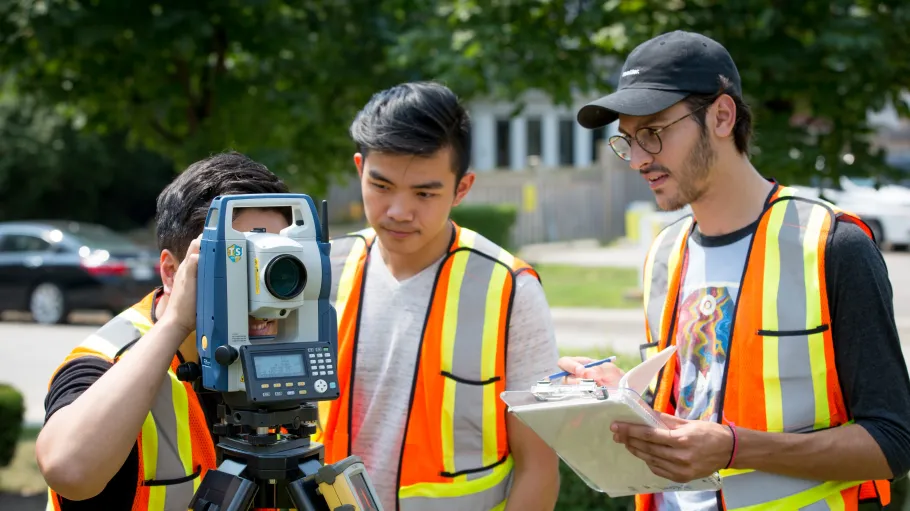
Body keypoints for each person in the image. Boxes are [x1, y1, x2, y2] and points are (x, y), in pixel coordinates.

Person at [558, 30, 910, 510]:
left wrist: (735, 447)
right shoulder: (665, 253)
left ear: (722, 116)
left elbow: (893, 442)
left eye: (654, 132)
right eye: (628, 140)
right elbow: (690, 409)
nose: (638, 159)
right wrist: (620, 398)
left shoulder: (832, 244)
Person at [312, 81, 561, 511]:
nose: (398, 211)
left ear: (462, 188)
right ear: (359, 169)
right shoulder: (323, 272)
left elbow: (539, 467)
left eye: (424, 193)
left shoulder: (509, 290)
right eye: (382, 185)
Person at [36, 152, 296, 511]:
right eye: (238, 262)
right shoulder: (108, 361)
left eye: (273, 262)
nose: (260, 290)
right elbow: (69, 470)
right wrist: (176, 322)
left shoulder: (283, 352)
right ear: (172, 273)